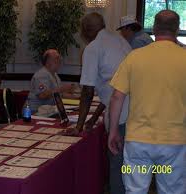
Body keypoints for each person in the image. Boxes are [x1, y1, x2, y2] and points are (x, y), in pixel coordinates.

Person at [109, 10, 186, 194]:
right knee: (172, 191)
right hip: (174, 143)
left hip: (137, 142)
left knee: (135, 190)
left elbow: (117, 97)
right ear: (177, 29)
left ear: (155, 27)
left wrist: (113, 131)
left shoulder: (134, 57)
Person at [65, 13, 131, 194]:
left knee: (118, 165)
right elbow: (109, 89)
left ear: (86, 31)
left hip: (122, 114)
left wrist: (78, 127)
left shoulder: (93, 48)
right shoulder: (119, 41)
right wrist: (92, 120)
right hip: (137, 110)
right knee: (131, 167)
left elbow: (87, 91)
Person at [27, 49, 77, 114]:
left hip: (48, 111)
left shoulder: (54, 75)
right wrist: (62, 89)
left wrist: (77, 97)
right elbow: (42, 95)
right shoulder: (41, 75)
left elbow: (58, 94)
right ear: (48, 61)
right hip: (35, 111)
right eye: (57, 58)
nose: (60, 60)